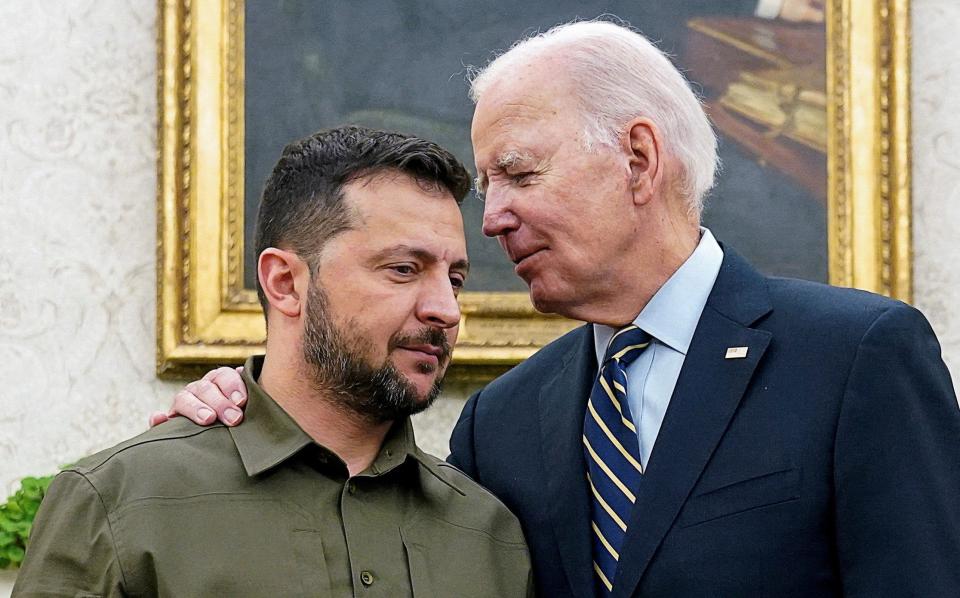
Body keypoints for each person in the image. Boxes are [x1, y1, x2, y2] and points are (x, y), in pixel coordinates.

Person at [158, 20, 960, 597]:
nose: (493, 215)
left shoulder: (856, 358)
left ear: (639, 159)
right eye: (489, 185)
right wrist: (244, 411)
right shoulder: (501, 422)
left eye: (519, 174)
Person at [14, 126, 533, 597]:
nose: (445, 308)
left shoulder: (489, 535)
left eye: (456, 280)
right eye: (402, 269)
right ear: (285, 283)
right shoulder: (120, 502)